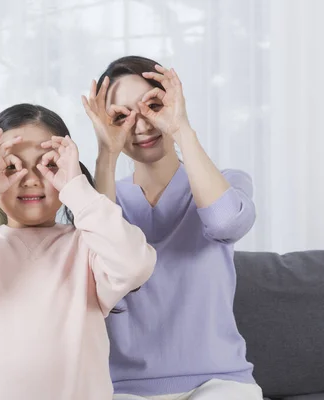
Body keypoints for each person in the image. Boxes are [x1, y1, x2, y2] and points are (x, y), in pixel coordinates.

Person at [0, 103, 157, 400]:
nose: (30, 178)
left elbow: (136, 264)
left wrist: (77, 190)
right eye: (11, 167)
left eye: (48, 164)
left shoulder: (88, 248)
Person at [82, 55, 263, 399]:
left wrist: (180, 127)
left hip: (219, 382)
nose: (141, 125)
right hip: (123, 387)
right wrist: (106, 153)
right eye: (121, 116)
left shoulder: (226, 183)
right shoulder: (102, 201)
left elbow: (226, 221)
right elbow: (96, 264)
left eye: (153, 105)